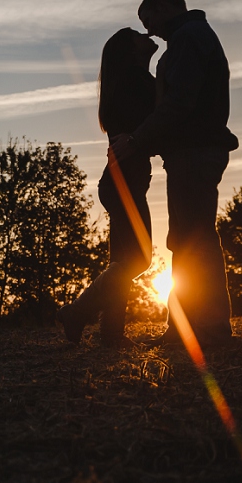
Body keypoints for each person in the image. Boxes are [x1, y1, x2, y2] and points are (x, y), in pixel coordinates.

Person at [110, 0, 239, 346]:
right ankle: (186, 328)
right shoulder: (188, 39)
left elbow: (179, 102)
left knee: (195, 238)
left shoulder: (188, 38)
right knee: (185, 238)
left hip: (196, 151)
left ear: (164, 7)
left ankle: (208, 329)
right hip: (189, 152)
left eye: (147, 19)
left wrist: (137, 140)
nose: (148, 29)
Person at [57, 27, 158, 346]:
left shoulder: (126, 83)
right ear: (130, 50)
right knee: (138, 260)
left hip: (120, 182)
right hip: (125, 183)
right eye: (139, 34)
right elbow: (159, 122)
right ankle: (77, 312)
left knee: (122, 262)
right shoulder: (137, 81)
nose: (147, 35)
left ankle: (112, 334)